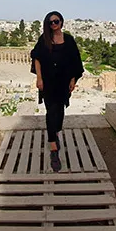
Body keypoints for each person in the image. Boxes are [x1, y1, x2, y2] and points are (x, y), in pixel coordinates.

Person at [30, 11, 84, 172]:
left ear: (61, 22)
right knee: (51, 111)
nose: (54, 24)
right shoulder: (44, 39)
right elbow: (37, 58)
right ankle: (53, 146)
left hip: (63, 82)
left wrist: (73, 79)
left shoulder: (69, 40)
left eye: (56, 21)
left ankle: (56, 132)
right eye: (51, 22)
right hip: (48, 81)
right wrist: (39, 78)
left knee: (60, 110)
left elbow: (75, 60)